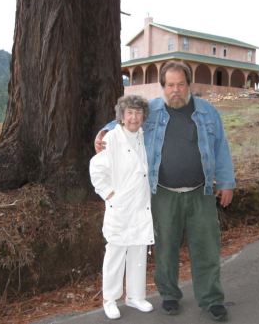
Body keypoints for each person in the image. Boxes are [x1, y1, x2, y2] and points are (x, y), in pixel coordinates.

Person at [95, 61, 236, 322]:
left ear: (189, 85)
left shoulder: (207, 113)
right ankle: (169, 295)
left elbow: (220, 148)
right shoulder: (152, 111)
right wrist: (105, 130)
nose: (176, 90)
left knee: (206, 247)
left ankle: (211, 299)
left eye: (180, 84)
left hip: (200, 192)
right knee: (166, 247)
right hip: (163, 193)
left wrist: (226, 182)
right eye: (170, 85)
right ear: (163, 87)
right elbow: (127, 121)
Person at [89, 95, 155, 320]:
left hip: (140, 206)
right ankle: (110, 299)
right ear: (122, 116)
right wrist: (110, 195)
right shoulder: (113, 138)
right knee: (115, 253)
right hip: (120, 207)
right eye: (130, 113)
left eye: (138, 113)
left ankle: (135, 296)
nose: (134, 117)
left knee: (138, 252)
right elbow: (96, 168)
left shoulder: (144, 138)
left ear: (143, 116)